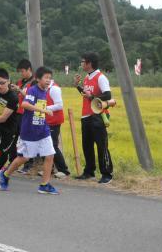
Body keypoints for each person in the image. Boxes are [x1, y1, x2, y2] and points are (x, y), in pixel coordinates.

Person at [0, 66, 58, 194]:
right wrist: (43, 110)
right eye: (46, 78)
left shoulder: (44, 91)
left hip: (43, 129)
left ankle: (44, 184)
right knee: (24, 158)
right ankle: (5, 174)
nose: (48, 80)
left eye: (50, 78)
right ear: (38, 79)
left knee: (50, 155)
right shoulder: (33, 90)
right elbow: (25, 104)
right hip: (29, 131)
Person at [73, 52, 113, 184]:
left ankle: (107, 174)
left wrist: (92, 97)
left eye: (83, 62)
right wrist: (77, 86)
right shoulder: (87, 77)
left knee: (102, 145)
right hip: (86, 114)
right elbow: (86, 94)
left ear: (89, 63)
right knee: (87, 145)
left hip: (98, 115)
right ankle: (89, 171)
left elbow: (107, 95)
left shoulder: (101, 78)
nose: (81, 64)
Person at [10, 59, 35, 173]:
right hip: (18, 113)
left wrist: (19, 90)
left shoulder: (34, 82)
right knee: (16, 139)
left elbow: (32, 96)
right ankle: (14, 162)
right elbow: (17, 95)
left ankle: (29, 164)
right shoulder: (20, 82)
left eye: (23, 71)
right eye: (20, 72)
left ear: (29, 69)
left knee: (27, 139)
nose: (22, 73)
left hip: (28, 114)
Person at [46, 78, 70, 178]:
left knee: (53, 145)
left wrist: (44, 107)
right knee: (45, 145)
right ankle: (49, 169)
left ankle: (63, 170)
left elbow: (59, 105)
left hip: (54, 121)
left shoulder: (54, 89)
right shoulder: (44, 88)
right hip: (46, 120)